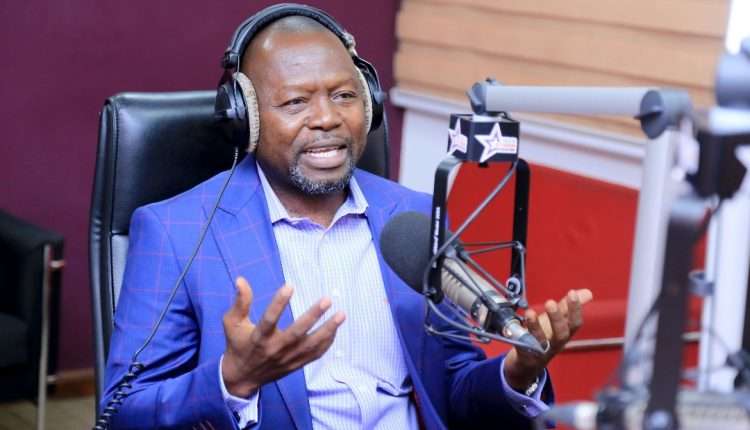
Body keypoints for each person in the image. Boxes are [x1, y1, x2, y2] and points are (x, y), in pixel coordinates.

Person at [102, 5, 592, 430]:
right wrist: (234, 379)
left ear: (370, 103)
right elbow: (123, 411)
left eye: (343, 95)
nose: (327, 118)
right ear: (245, 118)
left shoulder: (413, 219)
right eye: (295, 102)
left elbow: (454, 389)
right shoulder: (176, 232)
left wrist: (517, 372)